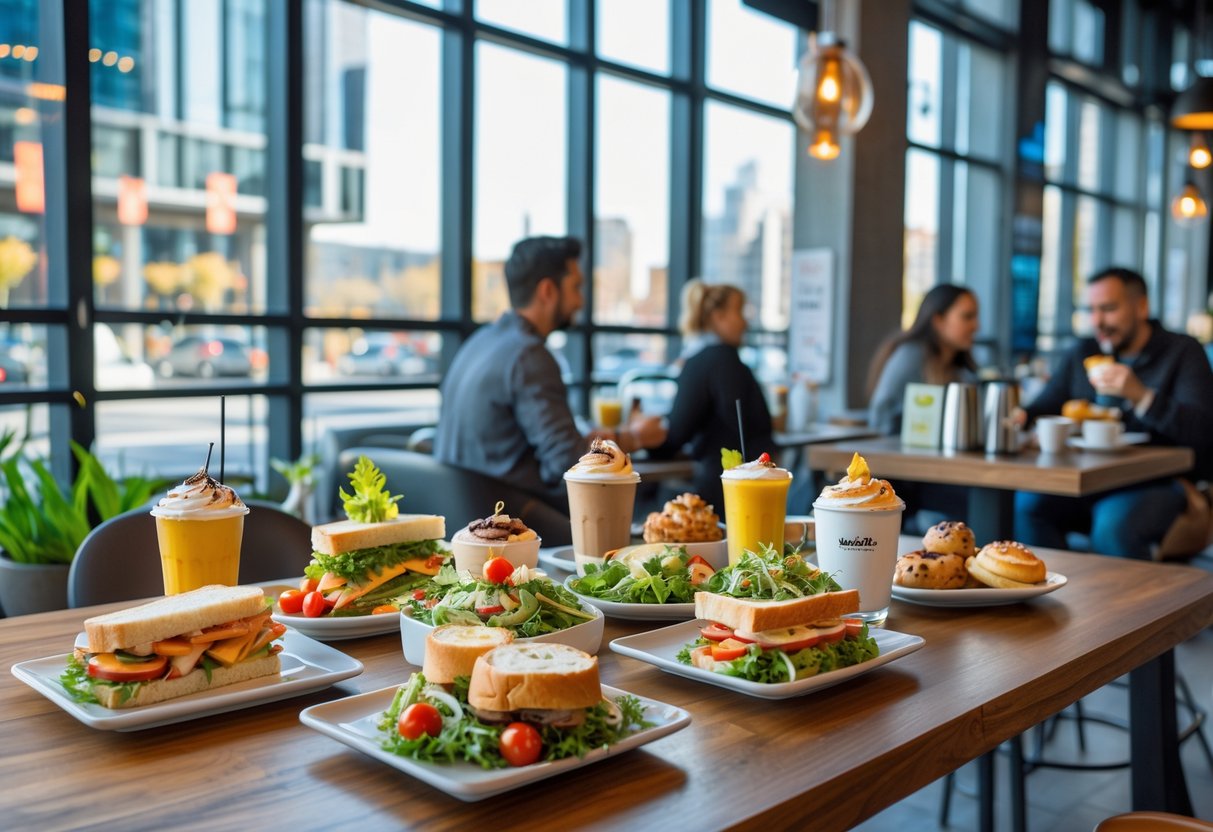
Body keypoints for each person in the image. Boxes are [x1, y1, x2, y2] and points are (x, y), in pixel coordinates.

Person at [434, 236, 666, 508]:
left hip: (466, 514)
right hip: (513, 519)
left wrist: (603, 436)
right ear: (547, 291)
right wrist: (634, 437)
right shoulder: (529, 355)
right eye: (576, 287)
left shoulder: (480, 341)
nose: (580, 301)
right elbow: (568, 462)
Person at [1014, 267, 1213, 559]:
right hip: (1087, 479)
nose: (1098, 321)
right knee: (1027, 507)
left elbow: (1204, 431)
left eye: (1108, 309)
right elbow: (1046, 405)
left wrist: (1141, 396)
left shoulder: (1182, 351)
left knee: (1112, 525)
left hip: (1162, 482)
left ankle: (1133, 605)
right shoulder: (1083, 351)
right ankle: (1052, 595)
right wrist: (1018, 415)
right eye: (1091, 310)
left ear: (1141, 307)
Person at [652, 280, 774, 511]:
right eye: (739, 311)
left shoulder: (704, 362)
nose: (745, 321)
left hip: (722, 491)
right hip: (753, 484)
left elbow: (676, 433)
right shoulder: (728, 361)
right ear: (718, 317)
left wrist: (644, 440)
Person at [866, 284, 980, 435]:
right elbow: (880, 419)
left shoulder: (959, 369)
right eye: (967, 317)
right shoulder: (911, 357)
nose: (976, 326)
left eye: (975, 317)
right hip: (907, 456)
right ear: (939, 320)